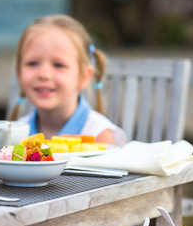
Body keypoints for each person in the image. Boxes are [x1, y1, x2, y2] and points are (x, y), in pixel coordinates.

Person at [8, 14, 126, 146]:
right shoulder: (17, 133)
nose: (43, 74)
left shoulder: (99, 136)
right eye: (32, 63)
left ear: (84, 77)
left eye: (58, 65)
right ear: (19, 72)